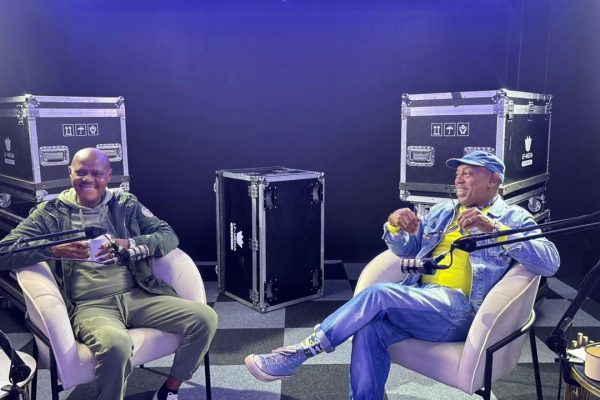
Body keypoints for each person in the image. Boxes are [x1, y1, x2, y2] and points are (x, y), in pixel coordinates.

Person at [244, 151, 560, 399]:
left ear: (493, 179)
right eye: (457, 174)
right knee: (370, 330)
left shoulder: (513, 217)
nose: (459, 180)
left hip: (463, 311)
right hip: (421, 300)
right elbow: (407, 249)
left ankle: (300, 353)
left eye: (468, 173)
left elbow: (549, 263)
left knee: (380, 294)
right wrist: (395, 224)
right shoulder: (443, 211)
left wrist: (494, 229)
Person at [0, 148, 217, 400]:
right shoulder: (49, 213)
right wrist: (53, 250)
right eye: (81, 172)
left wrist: (130, 244)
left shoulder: (125, 205)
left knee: (205, 318)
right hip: (89, 305)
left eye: (96, 173)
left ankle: (169, 389)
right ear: (69, 172)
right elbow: (4, 252)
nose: (88, 179)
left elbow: (168, 235)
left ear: (108, 175)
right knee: (116, 345)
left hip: (138, 294)